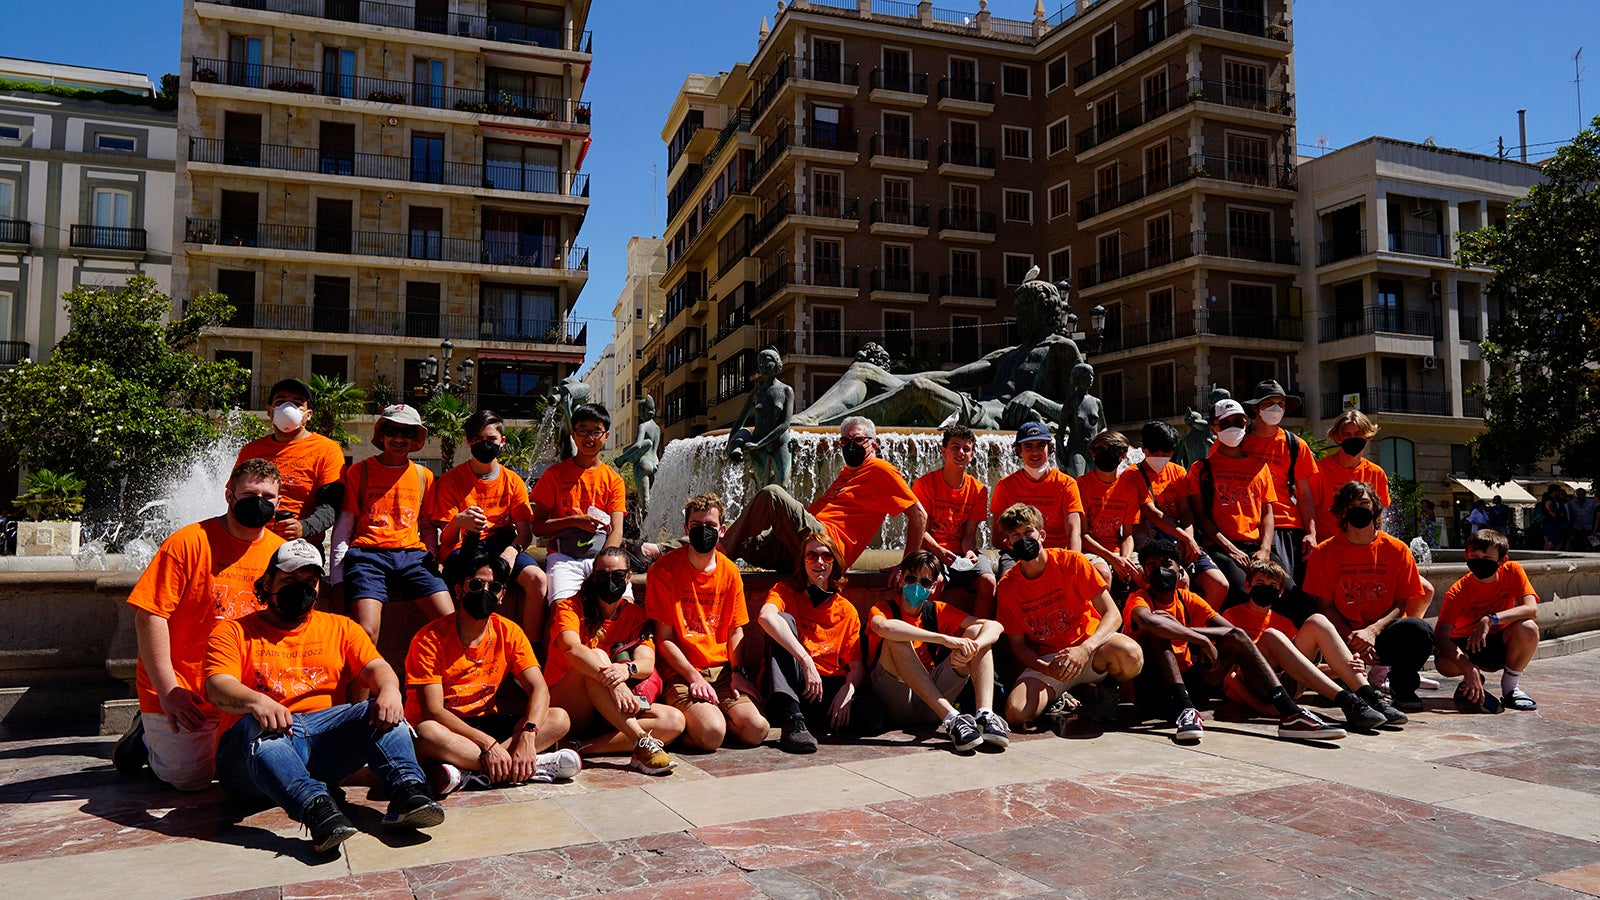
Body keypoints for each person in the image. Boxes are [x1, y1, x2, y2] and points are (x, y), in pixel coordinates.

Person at [205, 540, 444, 853]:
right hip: (249, 761)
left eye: (310, 582)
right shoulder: (233, 632)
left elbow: (377, 668)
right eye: (290, 581)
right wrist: (257, 702)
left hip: (318, 740)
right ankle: (317, 809)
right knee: (257, 725)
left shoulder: (341, 627)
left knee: (381, 710)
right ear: (267, 583)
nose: (301, 589)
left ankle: (409, 792)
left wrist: (389, 690)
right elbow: (217, 684)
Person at [115, 458, 287, 789]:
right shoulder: (188, 542)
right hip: (185, 692)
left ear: (279, 503)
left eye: (268, 497)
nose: (260, 503)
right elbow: (150, 616)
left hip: (242, 692)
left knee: (251, 770)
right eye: (250, 494)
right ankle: (145, 737)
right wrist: (168, 692)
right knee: (190, 779)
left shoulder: (280, 553)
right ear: (229, 495)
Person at [1122, 541, 1346, 743]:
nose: (1159, 569)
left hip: (1191, 684)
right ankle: (1185, 710)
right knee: (1155, 630)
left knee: (1237, 636)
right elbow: (1146, 621)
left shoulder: (1187, 598)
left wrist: (1191, 634)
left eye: (1166, 563)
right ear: (1144, 572)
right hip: (1151, 692)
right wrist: (1200, 638)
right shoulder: (1140, 598)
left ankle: (1290, 714)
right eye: (1151, 565)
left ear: (1179, 571)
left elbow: (1231, 631)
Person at [405, 554, 580, 797]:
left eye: (494, 587)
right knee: (427, 734)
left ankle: (473, 772)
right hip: (448, 728)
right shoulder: (429, 638)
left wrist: (529, 735)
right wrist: (488, 744)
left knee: (559, 718)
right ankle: (528, 766)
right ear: (459, 590)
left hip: (487, 723)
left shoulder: (509, 631)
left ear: (501, 596)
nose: (484, 591)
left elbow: (539, 689)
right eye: (476, 585)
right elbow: (433, 711)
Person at [697, 416, 927, 574]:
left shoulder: (881, 470)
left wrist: (907, 565)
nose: (850, 445)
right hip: (801, 548)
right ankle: (666, 550)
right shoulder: (846, 473)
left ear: (873, 445)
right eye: (845, 441)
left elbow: (918, 515)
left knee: (773, 495)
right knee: (741, 540)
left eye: (857, 440)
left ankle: (722, 549)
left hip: (828, 546)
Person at [993, 503, 1143, 729]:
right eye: (1015, 535)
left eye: (1028, 532)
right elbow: (1017, 645)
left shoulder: (1072, 562)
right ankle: (1058, 695)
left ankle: (1108, 686)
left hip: (1092, 650)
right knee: (1015, 714)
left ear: (1041, 535)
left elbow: (1113, 615)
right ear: (1008, 543)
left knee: (1131, 654)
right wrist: (1045, 668)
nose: (1023, 539)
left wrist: (1085, 648)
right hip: (1050, 661)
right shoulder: (1007, 587)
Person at [645, 493, 770, 750]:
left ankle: (713, 718)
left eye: (711, 526)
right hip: (681, 672)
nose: (704, 532)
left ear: (722, 530)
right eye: (697, 526)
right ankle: (699, 725)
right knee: (712, 734)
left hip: (722, 672)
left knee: (757, 730)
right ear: (686, 529)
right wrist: (693, 678)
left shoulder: (731, 571)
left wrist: (738, 673)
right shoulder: (664, 570)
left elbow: (736, 630)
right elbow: (664, 639)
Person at [1223, 559, 1406, 729]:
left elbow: (1304, 668)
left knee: (1317, 621)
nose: (1266, 589)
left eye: (1272, 586)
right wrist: (1261, 707)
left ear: (1280, 592)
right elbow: (1228, 676)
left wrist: (1343, 667)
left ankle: (1367, 696)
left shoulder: (1285, 623)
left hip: (1287, 684)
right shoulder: (1230, 616)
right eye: (1260, 584)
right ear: (1248, 585)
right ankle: (1347, 701)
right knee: (1271, 636)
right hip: (1256, 687)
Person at [547, 548, 685, 774]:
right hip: (568, 705)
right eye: (603, 575)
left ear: (629, 577)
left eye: (618, 576)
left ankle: (581, 748)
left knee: (673, 721)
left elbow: (646, 662)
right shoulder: (570, 607)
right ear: (593, 576)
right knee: (597, 655)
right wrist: (615, 682)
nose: (610, 581)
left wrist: (627, 670)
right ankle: (641, 741)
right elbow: (571, 647)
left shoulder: (635, 614)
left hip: (610, 708)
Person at [1302, 481, 1435, 712]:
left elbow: (1401, 602)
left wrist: (1372, 631)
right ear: (1342, 512)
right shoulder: (1324, 553)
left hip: (1381, 633)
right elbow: (1324, 606)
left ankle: (1402, 686)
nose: (1358, 509)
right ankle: (1348, 679)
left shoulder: (1398, 549)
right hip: (1343, 637)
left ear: (1375, 507)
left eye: (1364, 503)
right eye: (1350, 505)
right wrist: (1355, 640)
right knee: (1337, 689)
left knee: (1419, 630)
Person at [331, 404, 453, 646]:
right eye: (392, 431)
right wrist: (337, 579)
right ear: (382, 435)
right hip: (368, 556)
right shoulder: (359, 471)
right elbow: (344, 526)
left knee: (451, 621)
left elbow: (427, 527)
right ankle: (363, 684)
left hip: (413, 557)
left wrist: (432, 559)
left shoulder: (424, 476)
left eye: (407, 433)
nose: (399, 438)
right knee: (366, 633)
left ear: (416, 438)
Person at [426, 409, 546, 646]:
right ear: (469, 441)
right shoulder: (451, 480)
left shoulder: (513, 481)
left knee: (538, 579)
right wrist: (459, 522)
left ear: (502, 441)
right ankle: (461, 645)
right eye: (478, 439)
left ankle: (529, 649)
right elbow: (447, 541)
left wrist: (511, 553)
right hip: (464, 546)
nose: (485, 444)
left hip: (501, 543)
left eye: (490, 439)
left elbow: (525, 531)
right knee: (474, 583)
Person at [867, 551, 1009, 751]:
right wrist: (943, 639)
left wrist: (973, 647)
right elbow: (883, 628)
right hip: (896, 700)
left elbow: (995, 626)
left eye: (925, 582)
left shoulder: (937, 610)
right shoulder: (882, 609)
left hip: (932, 703)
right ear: (901, 579)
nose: (917, 586)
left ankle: (985, 715)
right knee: (896, 639)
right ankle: (952, 719)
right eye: (911, 579)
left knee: (978, 631)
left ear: (933, 587)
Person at [758, 532, 866, 753]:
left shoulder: (846, 610)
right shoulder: (785, 592)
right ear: (802, 561)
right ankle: (792, 720)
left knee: (873, 715)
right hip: (792, 681)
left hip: (827, 685)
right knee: (782, 620)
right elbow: (765, 617)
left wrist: (849, 688)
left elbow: (856, 666)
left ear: (834, 563)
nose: (819, 562)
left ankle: (812, 720)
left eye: (826, 557)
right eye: (812, 556)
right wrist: (805, 660)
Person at [531, 403, 628, 644]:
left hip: (602, 560)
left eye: (596, 431)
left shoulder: (613, 480)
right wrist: (573, 521)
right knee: (559, 614)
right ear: (573, 433)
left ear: (606, 436)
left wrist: (604, 565)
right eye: (582, 430)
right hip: (564, 559)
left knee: (626, 609)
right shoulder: (553, 474)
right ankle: (551, 668)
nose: (589, 437)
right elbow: (538, 526)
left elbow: (617, 529)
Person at [1119, 420, 1229, 608]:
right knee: (1180, 582)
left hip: (1181, 538)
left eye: (1167, 453)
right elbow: (1152, 514)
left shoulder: (1177, 471)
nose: (1161, 457)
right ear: (1143, 448)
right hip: (1153, 541)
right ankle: (1178, 631)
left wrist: (1189, 540)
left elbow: (1186, 511)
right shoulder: (1131, 475)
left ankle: (1198, 630)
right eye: (1155, 453)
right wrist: (1186, 539)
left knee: (1219, 584)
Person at [1434, 529, 1541, 713]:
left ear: (1502, 560)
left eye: (1487, 558)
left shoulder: (1513, 571)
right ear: (1466, 556)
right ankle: (1473, 679)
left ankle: (1511, 688)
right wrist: (1468, 668)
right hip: (1466, 646)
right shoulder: (1457, 591)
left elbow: (1531, 609)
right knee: (1443, 660)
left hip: (1499, 640)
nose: (1480, 561)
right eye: (1475, 556)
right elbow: (1441, 636)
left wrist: (1491, 619)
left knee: (1528, 628)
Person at [1187, 399, 1279, 610]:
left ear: (1246, 424)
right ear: (1213, 429)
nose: (1233, 428)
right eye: (1225, 424)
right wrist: (1230, 549)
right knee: (1241, 591)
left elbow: (1267, 514)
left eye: (1238, 421)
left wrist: (1265, 549)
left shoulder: (1260, 467)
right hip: (1219, 546)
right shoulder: (1200, 468)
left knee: (1289, 591)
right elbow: (1201, 516)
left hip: (1256, 548)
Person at [233, 377, 345, 544]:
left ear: (308, 415)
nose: (288, 407)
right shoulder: (252, 450)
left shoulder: (327, 450)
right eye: (281, 401)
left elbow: (330, 505)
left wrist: (304, 527)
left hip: (301, 543)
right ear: (270, 412)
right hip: (252, 539)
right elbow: (234, 498)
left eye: (297, 403)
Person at [1239, 381, 1317, 594]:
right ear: (1256, 408)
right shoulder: (1238, 442)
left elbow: (1304, 494)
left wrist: (1311, 533)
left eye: (1281, 404)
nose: (1276, 409)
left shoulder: (1295, 444)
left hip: (1286, 527)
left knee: (1286, 590)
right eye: (1270, 403)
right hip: (1247, 528)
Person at [911, 425, 997, 617]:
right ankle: (927, 632)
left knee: (989, 581)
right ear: (944, 451)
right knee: (935, 582)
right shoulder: (924, 484)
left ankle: (977, 632)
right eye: (955, 447)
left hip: (960, 553)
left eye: (966, 449)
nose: (961, 453)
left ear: (972, 454)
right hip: (931, 549)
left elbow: (969, 534)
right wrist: (940, 552)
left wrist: (968, 552)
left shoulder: (979, 490)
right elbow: (919, 530)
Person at [990, 421, 1083, 576]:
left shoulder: (1067, 484)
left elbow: (1074, 531)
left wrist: (1073, 561)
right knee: (1008, 578)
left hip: (1057, 552)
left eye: (1041, 445)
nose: (1035, 452)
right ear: (1019, 451)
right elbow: (997, 537)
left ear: (1049, 449)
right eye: (1028, 446)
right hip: (1017, 553)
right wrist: (1025, 549)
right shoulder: (1005, 485)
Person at [1307, 409, 1389, 545]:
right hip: (1327, 545)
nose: (1353, 438)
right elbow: (1307, 510)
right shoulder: (1319, 470)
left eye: (1358, 434)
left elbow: (1378, 515)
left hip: (1362, 546)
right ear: (1337, 438)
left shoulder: (1376, 473)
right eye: (1347, 434)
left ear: (1367, 437)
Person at [1076, 430, 1141, 588]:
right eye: (1100, 449)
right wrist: (1113, 560)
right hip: (1090, 549)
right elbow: (1082, 534)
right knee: (1103, 574)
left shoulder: (1129, 488)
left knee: (1144, 576)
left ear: (1123, 456)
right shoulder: (1080, 485)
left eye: (1112, 451)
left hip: (1119, 550)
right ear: (1092, 453)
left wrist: (1124, 559)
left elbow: (1128, 535)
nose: (1105, 454)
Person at [725, 348, 794, 489]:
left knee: (783, 485)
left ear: (777, 364)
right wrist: (730, 445)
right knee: (761, 487)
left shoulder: (786, 390)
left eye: (767, 362)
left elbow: (785, 424)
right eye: (760, 363)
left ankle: (781, 511)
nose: (763, 366)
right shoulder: (756, 392)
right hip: (756, 441)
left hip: (778, 441)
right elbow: (740, 421)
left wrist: (759, 444)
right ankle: (764, 511)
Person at [1541, 487, 1569, 552]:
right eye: (1558, 491)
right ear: (1554, 491)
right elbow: (1548, 506)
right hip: (1551, 523)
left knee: (1556, 540)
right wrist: (1554, 514)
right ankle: (1549, 553)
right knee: (1552, 540)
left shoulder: (1556, 500)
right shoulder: (1549, 499)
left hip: (1552, 522)